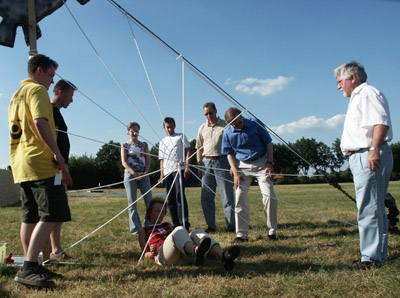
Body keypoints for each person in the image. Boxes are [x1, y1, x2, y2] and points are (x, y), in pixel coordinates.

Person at [8, 54, 72, 288]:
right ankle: (28, 266)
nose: (51, 81)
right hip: (41, 162)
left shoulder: (16, 95)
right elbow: (40, 122)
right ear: (39, 71)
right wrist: (58, 155)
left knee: (30, 216)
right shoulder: (37, 91)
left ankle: (33, 265)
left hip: (21, 162)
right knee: (53, 213)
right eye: (51, 75)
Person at [334, 61, 393, 270]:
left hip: (367, 153)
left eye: (340, 81)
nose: (339, 86)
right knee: (373, 206)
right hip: (361, 155)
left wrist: (374, 150)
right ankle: (377, 254)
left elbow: (381, 122)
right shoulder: (360, 96)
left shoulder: (367, 93)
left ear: (352, 78)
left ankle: (371, 258)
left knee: (369, 207)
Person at [221, 108, 278, 243]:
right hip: (242, 167)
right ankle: (241, 235)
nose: (238, 126)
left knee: (269, 196)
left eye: (239, 122)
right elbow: (228, 153)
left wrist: (270, 163)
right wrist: (235, 171)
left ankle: (272, 232)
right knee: (240, 197)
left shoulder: (255, 123)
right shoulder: (227, 132)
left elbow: (268, 143)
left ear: (241, 117)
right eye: (234, 125)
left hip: (262, 163)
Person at [139, 197, 240, 271]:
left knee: (197, 232)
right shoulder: (144, 230)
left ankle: (224, 255)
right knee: (178, 229)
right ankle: (196, 251)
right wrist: (151, 253)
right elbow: (145, 254)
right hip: (164, 257)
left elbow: (179, 239)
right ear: (149, 212)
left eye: (163, 212)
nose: (161, 214)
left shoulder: (167, 225)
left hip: (183, 255)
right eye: (158, 211)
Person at [48, 79, 76, 261]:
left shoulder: (55, 112)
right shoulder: (51, 111)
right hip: (55, 167)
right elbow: (52, 138)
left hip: (58, 165)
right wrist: (61, 167)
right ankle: (55, 250)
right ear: (61, 93)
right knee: (55, 206)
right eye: (70, 96)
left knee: (57, 206)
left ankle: (55, 248)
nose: (71, 101)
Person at [196, 102, 235, 232]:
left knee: (227, 197)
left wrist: (232, 166)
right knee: (206, 197)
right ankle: (211, 227)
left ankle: (231, 226)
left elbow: (233, 146)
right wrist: (199, 165)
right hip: (206, 163)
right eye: (206, 114)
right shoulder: (202, 128)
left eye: (210, 113)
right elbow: (199, 149)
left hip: (222, 161)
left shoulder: (225, 125)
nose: (208, 116)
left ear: (216, 111)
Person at [158, 117, 191, 229]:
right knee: (170, 198)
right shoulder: (162, 141)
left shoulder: (180, 136)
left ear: (174, 126)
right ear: (164, 127)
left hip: (179, 169)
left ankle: (185, 223)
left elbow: (188, 151)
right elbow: (161, 160)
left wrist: (187, 167)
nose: (170, 129)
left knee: (180, 196)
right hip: (168, 171)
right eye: (167, 127)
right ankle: (176, 223)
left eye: (171, 127)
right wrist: (161, 175)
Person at [121, 122, 153, 235]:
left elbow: (148, 160)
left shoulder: (144, 145)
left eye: (137, 131)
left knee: (149, 201)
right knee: (132, 202)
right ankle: (136, 229)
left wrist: (145, 172)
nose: (135, 133)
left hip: (144, 174)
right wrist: (134, 173)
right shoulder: (125, 145)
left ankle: (149, 225)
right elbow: (124, 162)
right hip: (130, 175)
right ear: (128, 131)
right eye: (132, 131)